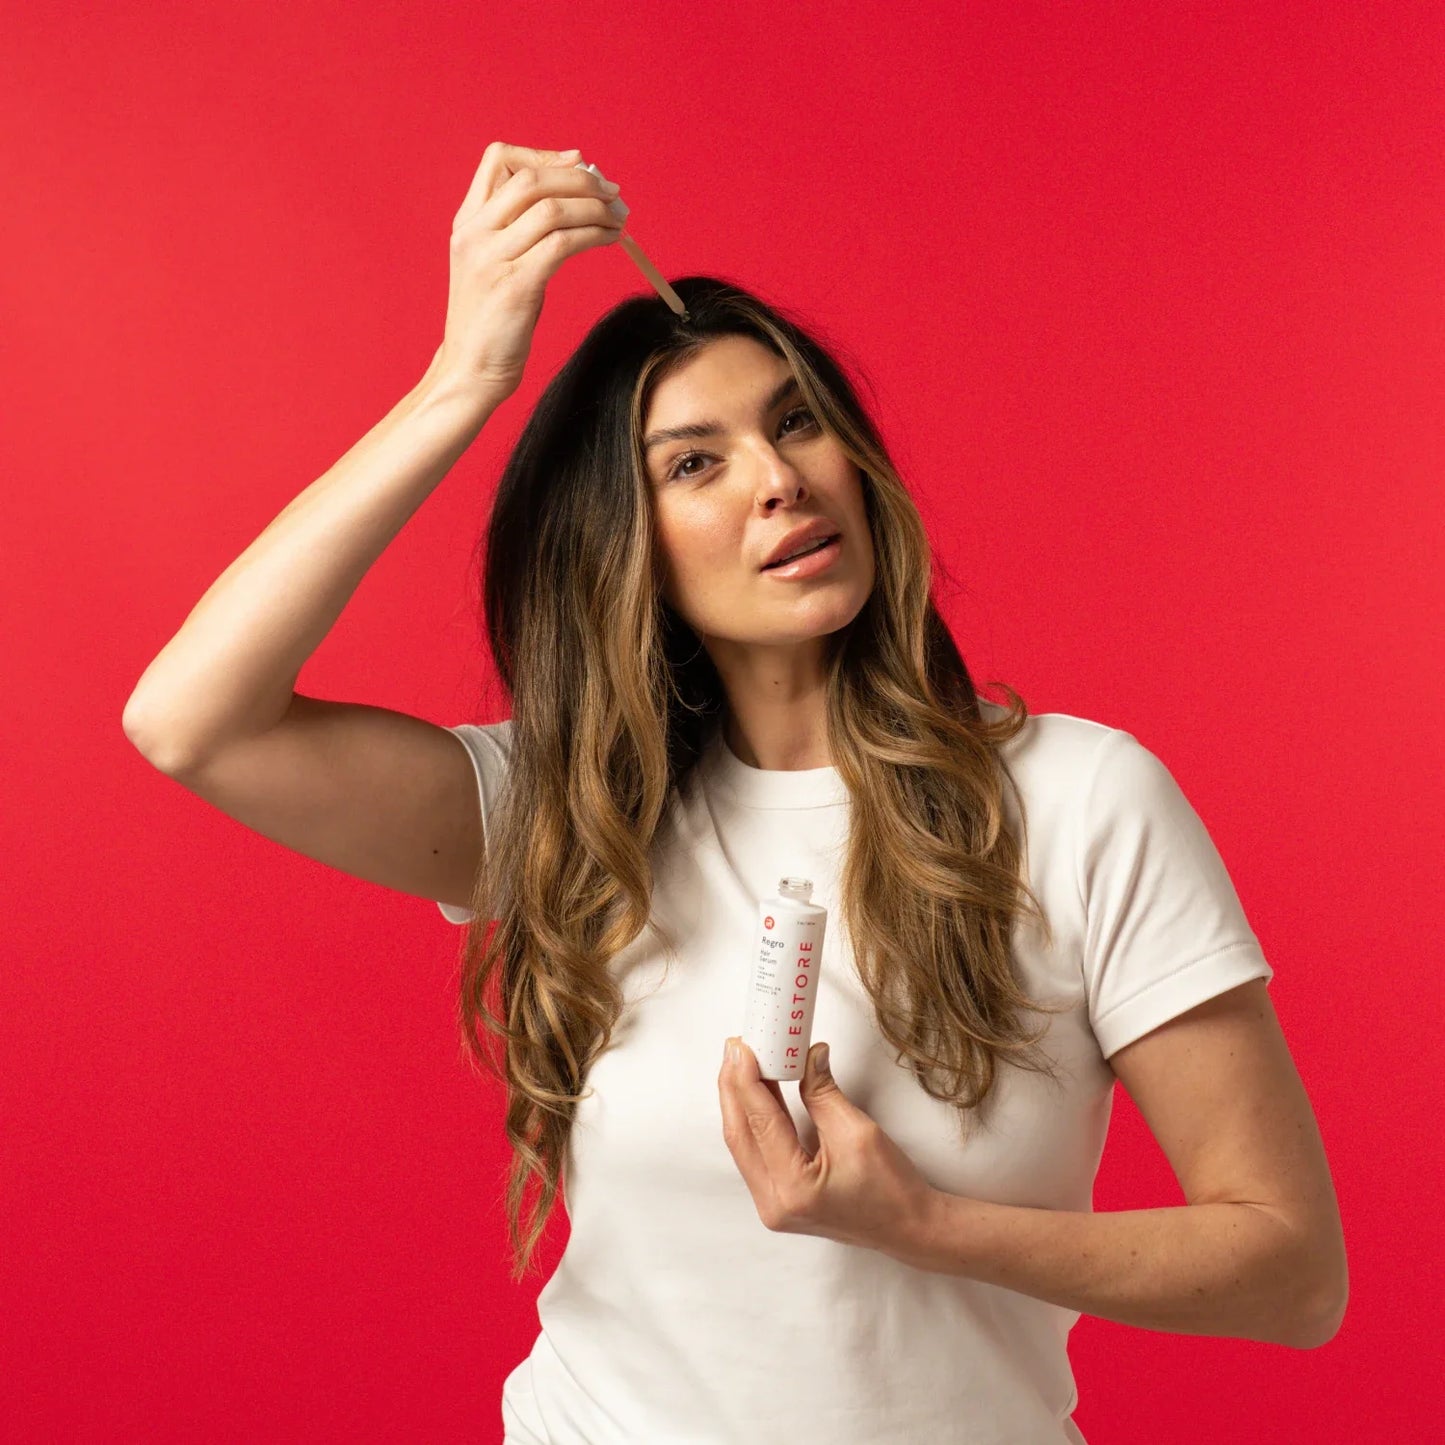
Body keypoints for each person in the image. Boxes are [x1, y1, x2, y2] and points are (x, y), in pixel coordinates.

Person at [123, 143, 1347, 1444]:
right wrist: (461, 380)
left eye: (796, 417)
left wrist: (920, 1227)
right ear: (623, 546)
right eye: (693, 463)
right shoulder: (571, 815)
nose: (780, 478)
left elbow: (1289, 1271)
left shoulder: (1080, 799)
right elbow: (189, 719)